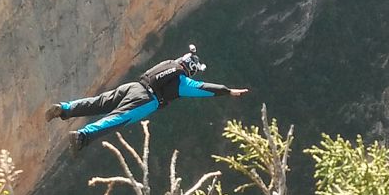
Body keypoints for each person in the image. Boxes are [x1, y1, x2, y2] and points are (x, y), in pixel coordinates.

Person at [46, 45, 250, 150]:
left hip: (133, 86)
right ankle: (82, 136)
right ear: (191, 70)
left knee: (99, 102)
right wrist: (228, 91)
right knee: (118, 119)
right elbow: (205, 89)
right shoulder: (182, 82)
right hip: (146, 100)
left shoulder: (168, 63)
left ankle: (64, 108)